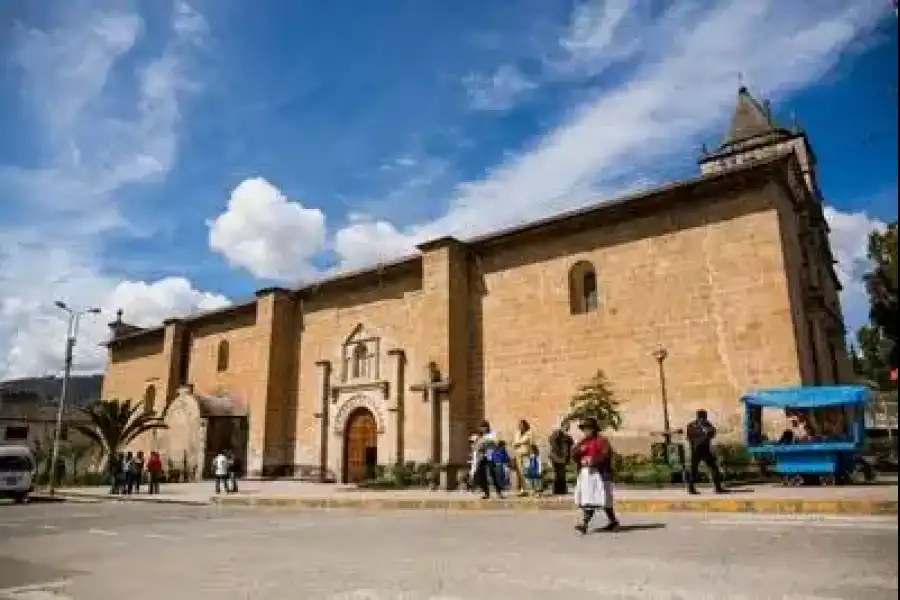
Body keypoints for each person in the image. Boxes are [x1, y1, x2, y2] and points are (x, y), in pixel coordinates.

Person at [571, 417, 619, 534]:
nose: (586, 432)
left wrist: (593, 461)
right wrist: (579, 452)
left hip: (601, 474)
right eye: (584, 429)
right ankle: (586, 523)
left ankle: (610, 521)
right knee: (590, 500)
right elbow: (573, 454)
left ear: (594, 429)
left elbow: (606, 455)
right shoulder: (583, 441)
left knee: (604, 500)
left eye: (588, 429)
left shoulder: (602, 441)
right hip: (587, 476)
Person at [685, 409, 725, 495]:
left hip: (705, 449)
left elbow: (713, 432)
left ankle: (717, 487)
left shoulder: (707, 424)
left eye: (705, 417)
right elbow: (689, 437)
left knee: (713, 468)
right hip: (695, 450)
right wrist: (703, 435)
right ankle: (691, 488)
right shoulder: (691, 425)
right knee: (693, 470)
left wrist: (707, 432)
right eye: (702, 417)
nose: (704, 419)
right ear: (699, 417)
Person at [473, 420, 503, 499]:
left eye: (483, 428)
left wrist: (487, 442)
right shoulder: (480, 436)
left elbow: (497, 443)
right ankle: (486, 492)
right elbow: (476, 446)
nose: (482, 430)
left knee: (492, 474)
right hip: (482, 456)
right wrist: (477, 443)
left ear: (486, 427)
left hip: (491, 455)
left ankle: (499, 492)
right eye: (481, 428)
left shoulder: (492, 434)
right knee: (480, 473)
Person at [547, 417, 574, 495]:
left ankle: (562, 490)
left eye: (568, 426)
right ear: (563, 425)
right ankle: (558, 490)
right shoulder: (557, 433)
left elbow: (570, 445)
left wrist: (568, 457)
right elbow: (552, 441)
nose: (568, 427)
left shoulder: (567, 436)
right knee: (558, 473)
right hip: (557, 457)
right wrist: (559, 452)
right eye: (567, 425)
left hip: (563, 458)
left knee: (562, 473)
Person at [512, 420, 535, 496]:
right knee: (520, 473)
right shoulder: (517, 433)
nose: (520, 427)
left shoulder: (529, 433)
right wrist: (517, 444)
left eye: (521, 425)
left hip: (526, 455)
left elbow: (531, 443)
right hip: (518, 455)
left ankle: (531, 490)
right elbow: (514, 443)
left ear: (525, 426)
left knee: (527, 472)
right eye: (519, 425)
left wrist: (518, 443)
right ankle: (523, 490)